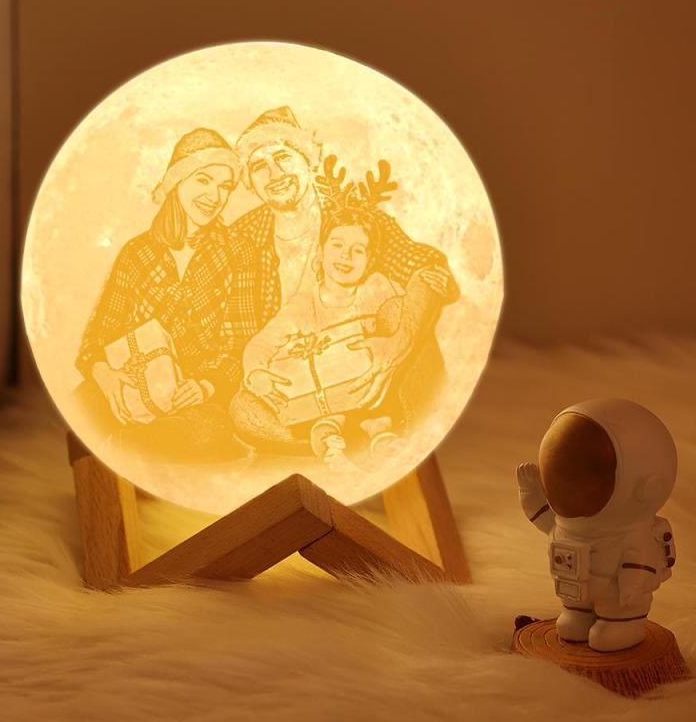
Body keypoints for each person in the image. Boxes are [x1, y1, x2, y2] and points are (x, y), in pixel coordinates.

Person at [225, 106, 459, 444]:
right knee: (243, 410)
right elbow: (242, 335)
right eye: (259, 166)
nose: (274, 173)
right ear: (250, 182)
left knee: (401, 311)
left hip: (370, 363)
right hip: (301, 379)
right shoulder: (242, 236)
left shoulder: (353, 217)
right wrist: (258, 374)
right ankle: (328, 445)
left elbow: (425, 269)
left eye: (283, 157)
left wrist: (396, 345)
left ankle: (389, 430)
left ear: (308, 160)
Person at [74, 127, 249, 462]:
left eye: (225, 186)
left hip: (194, 398)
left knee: (208, 431)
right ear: (177, 182)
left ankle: (124, 451)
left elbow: (244, 341)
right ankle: (115, 454)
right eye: (203, 180)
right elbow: (99, 335)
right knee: (79, 411)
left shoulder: (237, 250)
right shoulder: (137, 252)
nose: (215, 195)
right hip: (132, 382)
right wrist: (105, 376)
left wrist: (206, 386)